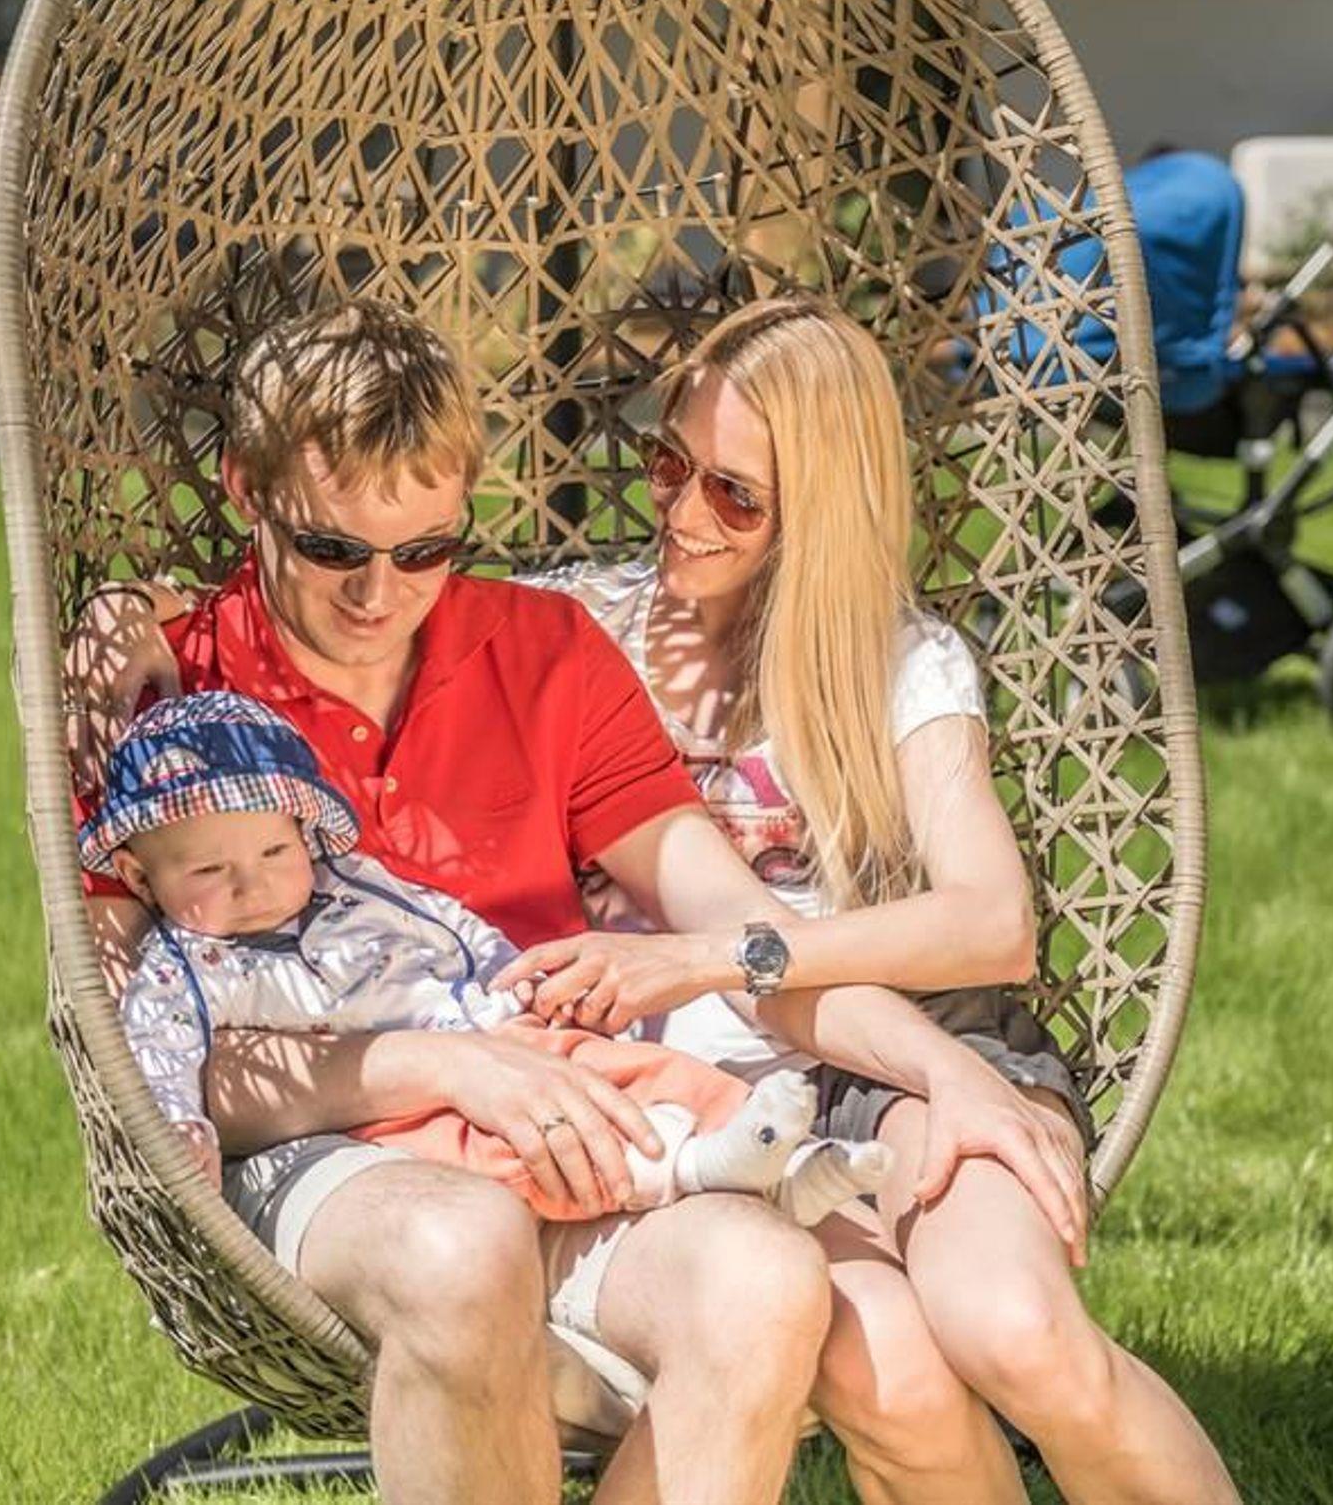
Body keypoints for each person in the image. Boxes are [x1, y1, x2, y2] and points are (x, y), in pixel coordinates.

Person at [68, 298, 1084, 1505]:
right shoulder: (169, 702)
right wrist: (446, 1069)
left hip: (575, 1122)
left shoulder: (541, 651)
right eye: (333, 548)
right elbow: (130, 1051)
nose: (379, 596)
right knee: (464, 1244)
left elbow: (732, 923)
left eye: (425, 551)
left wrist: (940, 1065)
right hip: (325, 1149)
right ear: (246, 489)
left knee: (763, 1282)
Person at [496, 296, 1241, 1505]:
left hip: (897, 1045)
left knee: (1015, 1332)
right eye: (668, 463)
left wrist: (715, 955)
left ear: (822, 505)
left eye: (734, 494)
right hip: (700, 1098)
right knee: (891, 1374)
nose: (681, 512)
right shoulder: (581, 625)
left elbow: (991, 923)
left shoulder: (899, 663)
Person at [88, 690, 890, 1232]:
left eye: (274, 851)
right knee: (508, 1153)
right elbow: (156, 1049)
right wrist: (181, 1123)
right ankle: (696, 1168)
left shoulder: (348, 882)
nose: (254, 884)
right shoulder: (181, 967)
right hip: (382, 1113)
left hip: (489, 1029)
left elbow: (445, 923)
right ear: (139, 876)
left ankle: (788, 1157)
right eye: (209, 871)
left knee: (628, 1067)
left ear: (304, 833)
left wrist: (512, 982)